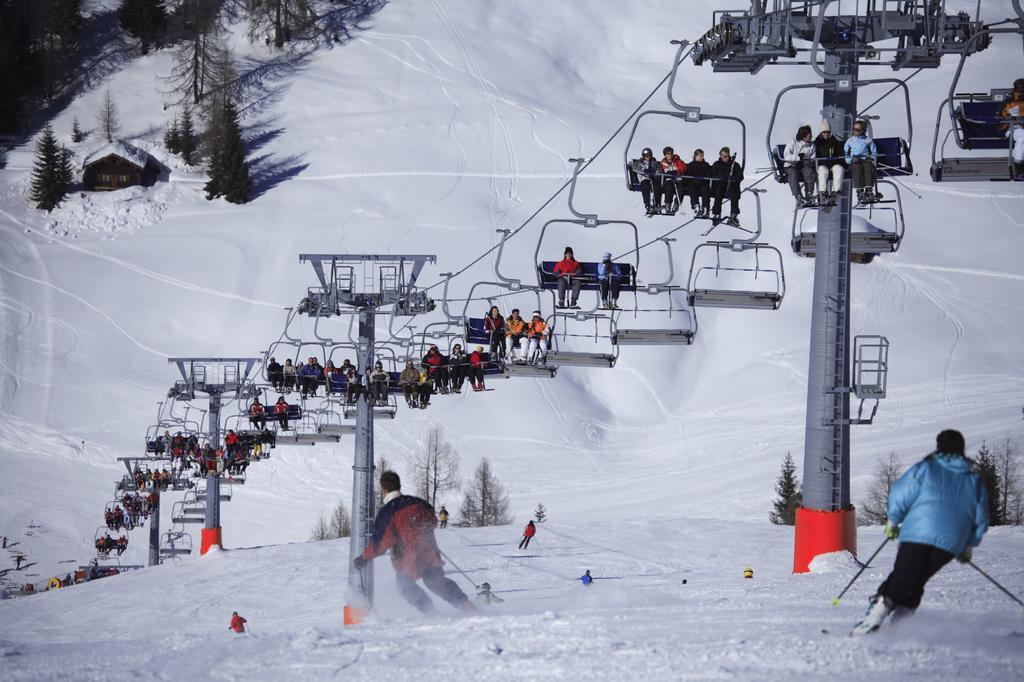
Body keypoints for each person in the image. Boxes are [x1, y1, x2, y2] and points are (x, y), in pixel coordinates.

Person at [851, 429, 989, 636]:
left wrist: (893, 520)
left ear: (939, 446)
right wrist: (968, 544)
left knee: (904, 576)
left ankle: (874, 618)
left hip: (918, 533)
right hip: (951, 542)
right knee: (916, 579)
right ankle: (902, 624)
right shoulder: (973, 479)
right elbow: (981, 518)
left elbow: (901, 492)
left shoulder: (927, 468)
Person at [353, 471, 473, 614]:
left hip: (407, 557)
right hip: (428, 553)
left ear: (384, 490)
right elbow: (433, 521)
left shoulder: (388, 511)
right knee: (437, 583)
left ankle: (431, 613)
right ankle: (468, 607)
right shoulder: (418, 503)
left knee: (405, 586)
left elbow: (381, 543)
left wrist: (364, 557)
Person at [844, 119, 879, 204]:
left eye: (857, 130)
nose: (855, 131)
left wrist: (871, 158)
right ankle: (860, 192)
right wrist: (851, 159)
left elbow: (874, 152)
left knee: (868, 166)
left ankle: (869, 190)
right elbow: (846, 154)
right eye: (854, 129)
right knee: (857, 167)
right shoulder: (850, 141)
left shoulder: (868, 140)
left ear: (863, 130)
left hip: (865, 160)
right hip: (855, 162)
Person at [813, 119, 846, 204]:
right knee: (823, 170)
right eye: (824, 132)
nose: (826, 134)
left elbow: (840, 154)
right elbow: (814, 155)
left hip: (834, 164)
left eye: (828, 132)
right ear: (821, 133)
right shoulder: (817, 144)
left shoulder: (835, 142)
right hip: (823, 164)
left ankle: (836, 192)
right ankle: (823, 193)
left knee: (839, 169)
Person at [783, 124, 817, 206]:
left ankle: (809, 194)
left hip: (804, 165)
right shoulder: (793, 142)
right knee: (793, 174)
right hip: (791, 165)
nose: (811, 136)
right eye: (810, 135)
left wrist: (809, 161)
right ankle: (798, 197)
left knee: (809, 172)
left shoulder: (811, 145)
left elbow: (813, 157)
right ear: (804, 136)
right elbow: (786, 156)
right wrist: (798, 157)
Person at [710, 146, 743, 226]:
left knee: (734, 192)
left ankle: (733, 216)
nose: (726, 158)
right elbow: (711, 175)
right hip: (720, 185)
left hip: (731, 185)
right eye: (724, 156)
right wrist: (718, 177)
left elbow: (740, 176)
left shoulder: (735, 165)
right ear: (720, 156)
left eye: (727, 156)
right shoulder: (717, 164)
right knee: (718, 193)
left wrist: (734, 178)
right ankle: (717, 214)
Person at [630, 147, 663, 215]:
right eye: (646, 156)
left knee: (656, 186)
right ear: (643, 156)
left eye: (649, 155)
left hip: (653, 178)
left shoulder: (656, 163)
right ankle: (647, 205)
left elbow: (660, 171)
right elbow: (634, 168)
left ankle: (656, 204)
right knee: (646, 186)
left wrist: (654, 173)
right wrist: (644, 171)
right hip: (644, 178)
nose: (648, 157)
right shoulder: (639, 163)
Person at [1001, 78, 1024, 178]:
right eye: (1020, 89)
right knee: (1023, 136)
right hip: (1013, 129)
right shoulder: (1009, 102)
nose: (1021, 91)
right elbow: (1001, 117)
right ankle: (1019, 167)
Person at [659, 146, 687, 214]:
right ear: (665, 155)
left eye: (671, 153)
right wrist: (665, 175)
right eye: (668, 154)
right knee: (669, 186)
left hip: (678, 178)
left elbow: (683, 168)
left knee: (681, 187)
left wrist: (677, 172)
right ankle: (667, 204)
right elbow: (659, 172)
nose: (670, 155)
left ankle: (676, 204)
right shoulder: (662, 163)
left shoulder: (678, 161)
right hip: (668, 179)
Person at [686, 148, 712, 218]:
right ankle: (696, 206)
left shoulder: (706, 165)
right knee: (692, 189)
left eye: (702, 156)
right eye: (700, 156)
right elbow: (688, 175)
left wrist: (702, 179)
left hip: (703, 183)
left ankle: (705, 207)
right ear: (695, 156)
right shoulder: (691, 165)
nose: (702, 157)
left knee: (705, 189)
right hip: (693, 183)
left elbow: (708, 174)